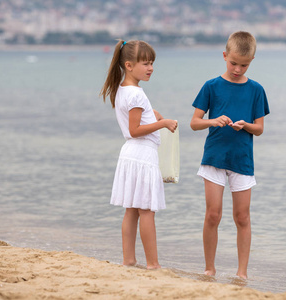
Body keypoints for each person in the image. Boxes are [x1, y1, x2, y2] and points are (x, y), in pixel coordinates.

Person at [190, 31, 269, 279]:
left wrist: (245, 125)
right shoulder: (211, 86)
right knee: (213, 214)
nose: (237, 69)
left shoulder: (256, 90)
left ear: (252, 60)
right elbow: (194, 123)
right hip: (214, 157)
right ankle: (209, 268)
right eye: (233, 62)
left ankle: (241, 273)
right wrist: (213, 121)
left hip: (242, 160)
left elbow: (259, 129)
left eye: (243, 64)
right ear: (225, 56)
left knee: (242, 217)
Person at [100, 40, 178, 270]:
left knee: (131, 211)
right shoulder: (136, 94)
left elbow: (134, 120)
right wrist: (162, 123)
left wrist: (151, 115)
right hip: (142, 155)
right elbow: (134, 131)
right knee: (146, 211)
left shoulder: (122, 89)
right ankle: (153, 264)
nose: (150, 67)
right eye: (145, 63)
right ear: (129, 65)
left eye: (152, 63)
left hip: (130, 155)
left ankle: (129, 260)